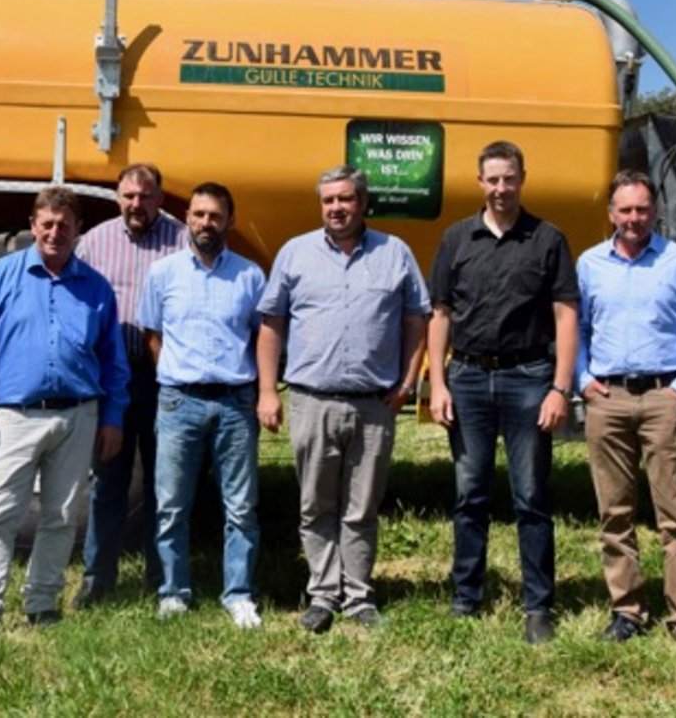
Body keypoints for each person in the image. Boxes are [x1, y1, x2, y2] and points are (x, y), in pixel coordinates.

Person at [256, 165, 430, 633]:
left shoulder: (395, 253)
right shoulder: (296, 253)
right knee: (315, 505)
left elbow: (417, 318)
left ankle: (358, 596)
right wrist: (267, 390)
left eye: (345, 199)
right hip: (312, 401)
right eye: (329, 200)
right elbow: (271, 325)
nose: (336, 208)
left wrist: (409, 379)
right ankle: (322, 594)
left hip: (375, 403)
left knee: (362, 506)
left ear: (363, 202)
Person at [0, 186, 129, 631]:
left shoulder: (96, 287)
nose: (55, 233)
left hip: (78, 415)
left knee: (62, 515)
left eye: (64, 226)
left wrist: (111, 418)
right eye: (47, 224)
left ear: (77, 231)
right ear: (33, 225)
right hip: (15, 417)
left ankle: (42, 603)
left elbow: (113, 361)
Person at [427, 140, 579, 645]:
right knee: (469, 496)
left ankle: (538, 606)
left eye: (508, 178)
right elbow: (441, 315)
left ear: (522, 179)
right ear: (479, 183)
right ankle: (466, 597)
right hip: (467, 380)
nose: (499, 188)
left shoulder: (548, 239)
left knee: (531, 497)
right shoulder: (455, 239)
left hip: (529, 379)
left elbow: (565, 315)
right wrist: (438, 382)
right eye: (491, 179)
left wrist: (560, 386)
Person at [575, 169, 676, 645]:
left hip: (662, 397)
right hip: (606, 399)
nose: (634, 218)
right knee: (615, 513)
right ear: (611, 213)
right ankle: (627, 611)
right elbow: (577, 330)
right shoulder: (589, 264)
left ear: (655, 211)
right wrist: (583, 380)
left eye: (642, 209)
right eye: (625, 209)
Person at [138, 181, 267, 628]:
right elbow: (152, 335)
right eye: (197, 215)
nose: (205, 223)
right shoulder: (163, 274)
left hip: (234, 403)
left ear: (229, 220)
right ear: (187, 218)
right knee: (171, 504)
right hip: (180, 402)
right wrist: (176, 377)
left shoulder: (251, 277)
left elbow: (259, 336)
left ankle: (239, 594)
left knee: (241, 507)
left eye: (214, 216)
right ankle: (174, 591)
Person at [73, 163, 186, 609]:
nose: (136, 204)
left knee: (166, 485)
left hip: (163, 380)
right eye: (128, 196)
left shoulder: (180, 240)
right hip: (113, 381)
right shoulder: (94, 241)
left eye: (145, 196)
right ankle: (97, 579)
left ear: (160, 198)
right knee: (108, 483)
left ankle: (163, 583)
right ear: (117, 197)